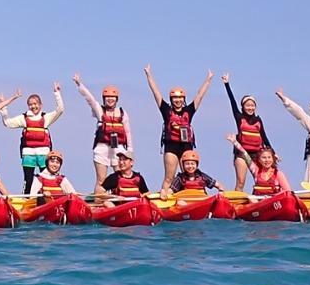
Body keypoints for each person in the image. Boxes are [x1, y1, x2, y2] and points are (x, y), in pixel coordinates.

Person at [145, 65, 214, 194]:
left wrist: (208, 79)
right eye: (175, 98)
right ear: (171, 99)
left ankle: (187, 197)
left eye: (180, 98)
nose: (178, 100)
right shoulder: (166, 110)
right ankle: (164, 200)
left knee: (187, 176)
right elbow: (156, 92)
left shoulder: (189, 110)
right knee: (169, 177)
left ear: (183, 99)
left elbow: (199, 95)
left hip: (186, 146)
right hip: (171, 146)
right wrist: (149, 75)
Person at [74, 73, 134, 194]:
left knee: (120, 178)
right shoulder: (100, 110)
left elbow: (127, 131)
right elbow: (90, 99)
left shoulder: (122, 113)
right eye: (107, 97)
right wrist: (79, 84)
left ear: (116, 99)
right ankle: (100, 203)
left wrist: (130, 150)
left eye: (112, 97)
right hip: (102, 149)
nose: (110, 99)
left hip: (118, 149)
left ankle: (118, 203)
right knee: (101, 180)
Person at [2, 84, 65, 193]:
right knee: (28, 180)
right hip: (28, 153)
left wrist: (57, 93)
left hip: (43, 153)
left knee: (45, 178)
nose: (33, 106)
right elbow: (8, 123)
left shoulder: (45, 118)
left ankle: (47, 199)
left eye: (35, 104)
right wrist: (3, 107)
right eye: (30, 104)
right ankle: (27, 199)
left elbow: (60, 110)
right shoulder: (24, 118)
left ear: (40, 105)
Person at [222, 75, 273, 191]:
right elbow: (232, 102)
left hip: (256, 154)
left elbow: (264, 137)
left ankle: (261, 199)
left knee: (262, 180)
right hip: (241, 153)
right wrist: (227, 84)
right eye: (247, 105)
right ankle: (236, 205)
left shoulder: (258, 121)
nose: (250, 108)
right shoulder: (239, 118)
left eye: (252, 105)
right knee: (241, 181)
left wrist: (273, 152)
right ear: (243, 107)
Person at [225, 136, 292, 197]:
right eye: (264, 158)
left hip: (274, 202)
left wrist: (271, 197)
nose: (267, 160)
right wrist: (234, 141)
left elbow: (288, 192)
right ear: (259, 160)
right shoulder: (256, 171)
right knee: (251, 198)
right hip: (259, 203)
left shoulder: (278, 174)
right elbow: (245, 155)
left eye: (269, 157)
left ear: (273, 159)